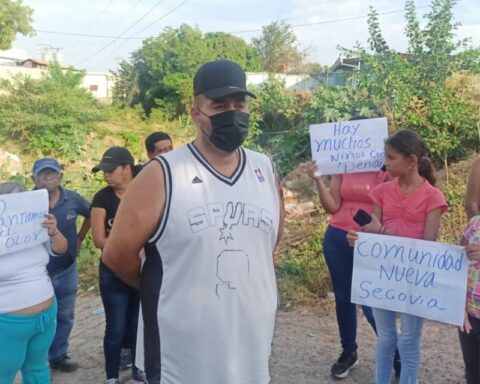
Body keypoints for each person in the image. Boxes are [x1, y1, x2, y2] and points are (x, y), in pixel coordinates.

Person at [102, 59, 285, 384]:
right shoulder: (162, 174)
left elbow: (268, 243)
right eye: (219, 105)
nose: (232, 113)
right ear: (195, 111)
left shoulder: (265, 169)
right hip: (181, 357)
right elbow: (117, 255)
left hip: (251, 349)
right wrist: (171, 288)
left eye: (239, 104)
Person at [347, 130, 448, 384]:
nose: (386, 163)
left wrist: (381, 232)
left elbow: (428, 246)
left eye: (391, 158)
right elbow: (373, 235)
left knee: (409, 341)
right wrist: (360, 241)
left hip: (415, 279)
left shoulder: (433, 198)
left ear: (411, 161)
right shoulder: (381, 192)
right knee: (386, 338)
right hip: (383, 276)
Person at [306, 116, 400, 380]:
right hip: (337, 237)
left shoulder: (387, 168)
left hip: (370, 241)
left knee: (373, 304)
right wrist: (317, 180)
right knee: (344, 298)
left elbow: (393, 208)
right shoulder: (343, 166)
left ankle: (397, 356)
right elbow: (333, 206)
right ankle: (349, 351)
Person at [0, 182, 68, 384]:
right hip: (9, 321)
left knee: (37, 369)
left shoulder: (35, 225)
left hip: (45, 316)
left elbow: (62, 250)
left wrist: (54, 231)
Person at [31, 157, 91, 372]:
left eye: (52, 173)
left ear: (60, 176)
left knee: (65, 314)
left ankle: (59, 356)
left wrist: (81, 237)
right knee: (40, 319)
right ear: (33, 178)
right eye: (42, 174)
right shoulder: (26, 202)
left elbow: (93, 213)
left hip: (67, 269)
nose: (48, 178)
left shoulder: (72, 199)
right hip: (38, 274)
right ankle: (39, 361)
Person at [90, 147, 144, 384]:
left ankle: (137, 370)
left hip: (141, 270)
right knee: (116, 326)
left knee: (136, 324)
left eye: (111, 171)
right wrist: (129, 247)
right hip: (112, 272)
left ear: (127, 168)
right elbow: (99, 239)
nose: (106, 176)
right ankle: (111, 375)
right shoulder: (102, 198)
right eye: (104, 172)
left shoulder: (145, 192)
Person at [459, 158, 480, 383]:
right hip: (470, 317)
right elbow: (454, 267)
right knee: (473, 372)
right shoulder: (473, 227)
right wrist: (458, 308)